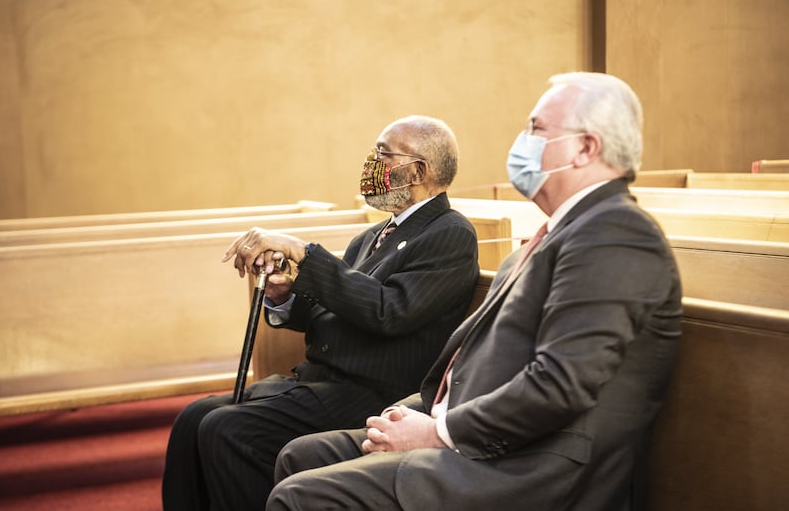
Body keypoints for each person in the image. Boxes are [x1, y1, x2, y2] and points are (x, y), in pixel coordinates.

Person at [267, 72, 683, 511]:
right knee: (302, 456)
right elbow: (481, 362)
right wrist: (413, 413)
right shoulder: (565, 231)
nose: (523, 141)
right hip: (484, 438)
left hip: (536, 466)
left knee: (300, 496)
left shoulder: (614, 232)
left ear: (586, 148)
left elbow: (561, 384)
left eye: (537, 129)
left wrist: (436, 432)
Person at [161, 115, 480, 511]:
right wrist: (285, 294)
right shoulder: (372, 236)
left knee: (228, 429)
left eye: (383, 153)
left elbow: (390, 312)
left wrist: (305, 253)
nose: (371, 163)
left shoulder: (449, 233)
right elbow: (339, 307)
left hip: (375, 389)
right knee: (194, 417)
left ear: (417, 170)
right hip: (323, 379)